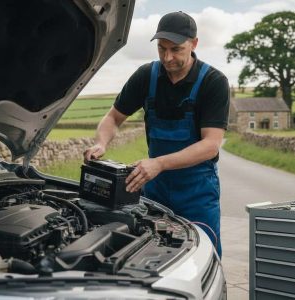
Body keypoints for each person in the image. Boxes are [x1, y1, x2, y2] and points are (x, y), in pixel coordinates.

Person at [84, 11, 230, 257]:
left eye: (176, 49)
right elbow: (113, 117)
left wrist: (160, 163)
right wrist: (101, 143)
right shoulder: (146, 76)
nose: (167, 57)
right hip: (155, 189)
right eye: (162, 48)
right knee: (154, 255)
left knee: (204, 255)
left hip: (197, 191)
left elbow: (210, 145)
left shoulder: (213, 82)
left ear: (194, 44)